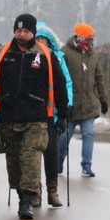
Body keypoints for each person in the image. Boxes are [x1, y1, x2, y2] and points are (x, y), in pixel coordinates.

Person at [0, 13, 68, 220]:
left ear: (33, 32)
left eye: (26, 31)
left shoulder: (45, 54)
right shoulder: (2, 53)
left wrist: (63, 113)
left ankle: (27, 201)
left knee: (31, 160)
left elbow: (60, 84)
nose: (22, 34)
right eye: (19, 30)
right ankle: (22, 193)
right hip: (8, 117)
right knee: (15, 164)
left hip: (36, 118)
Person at [59, 22, 108, 177]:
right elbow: (60, 78)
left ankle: (86, 165)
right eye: (88, 38)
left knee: (88, 134)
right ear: (79, 37)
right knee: (64, 138)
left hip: (89, 105)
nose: (91, 41)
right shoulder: (65, 52)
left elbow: (99, 78)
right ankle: (58, 163)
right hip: (71, 106)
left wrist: (103, 99)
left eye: (92, 38)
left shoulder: (93, 55)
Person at [34, 22, 73, 207]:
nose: (41, 42)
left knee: (51, 152)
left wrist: (67, 106)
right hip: (33, 112)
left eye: (44, 39)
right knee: (32, 154)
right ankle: (35, 190)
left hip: (53, 113)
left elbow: (66, 83)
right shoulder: (28, 57)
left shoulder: (58, 58)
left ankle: (52, 190)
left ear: (49, 41)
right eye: (37, 39)